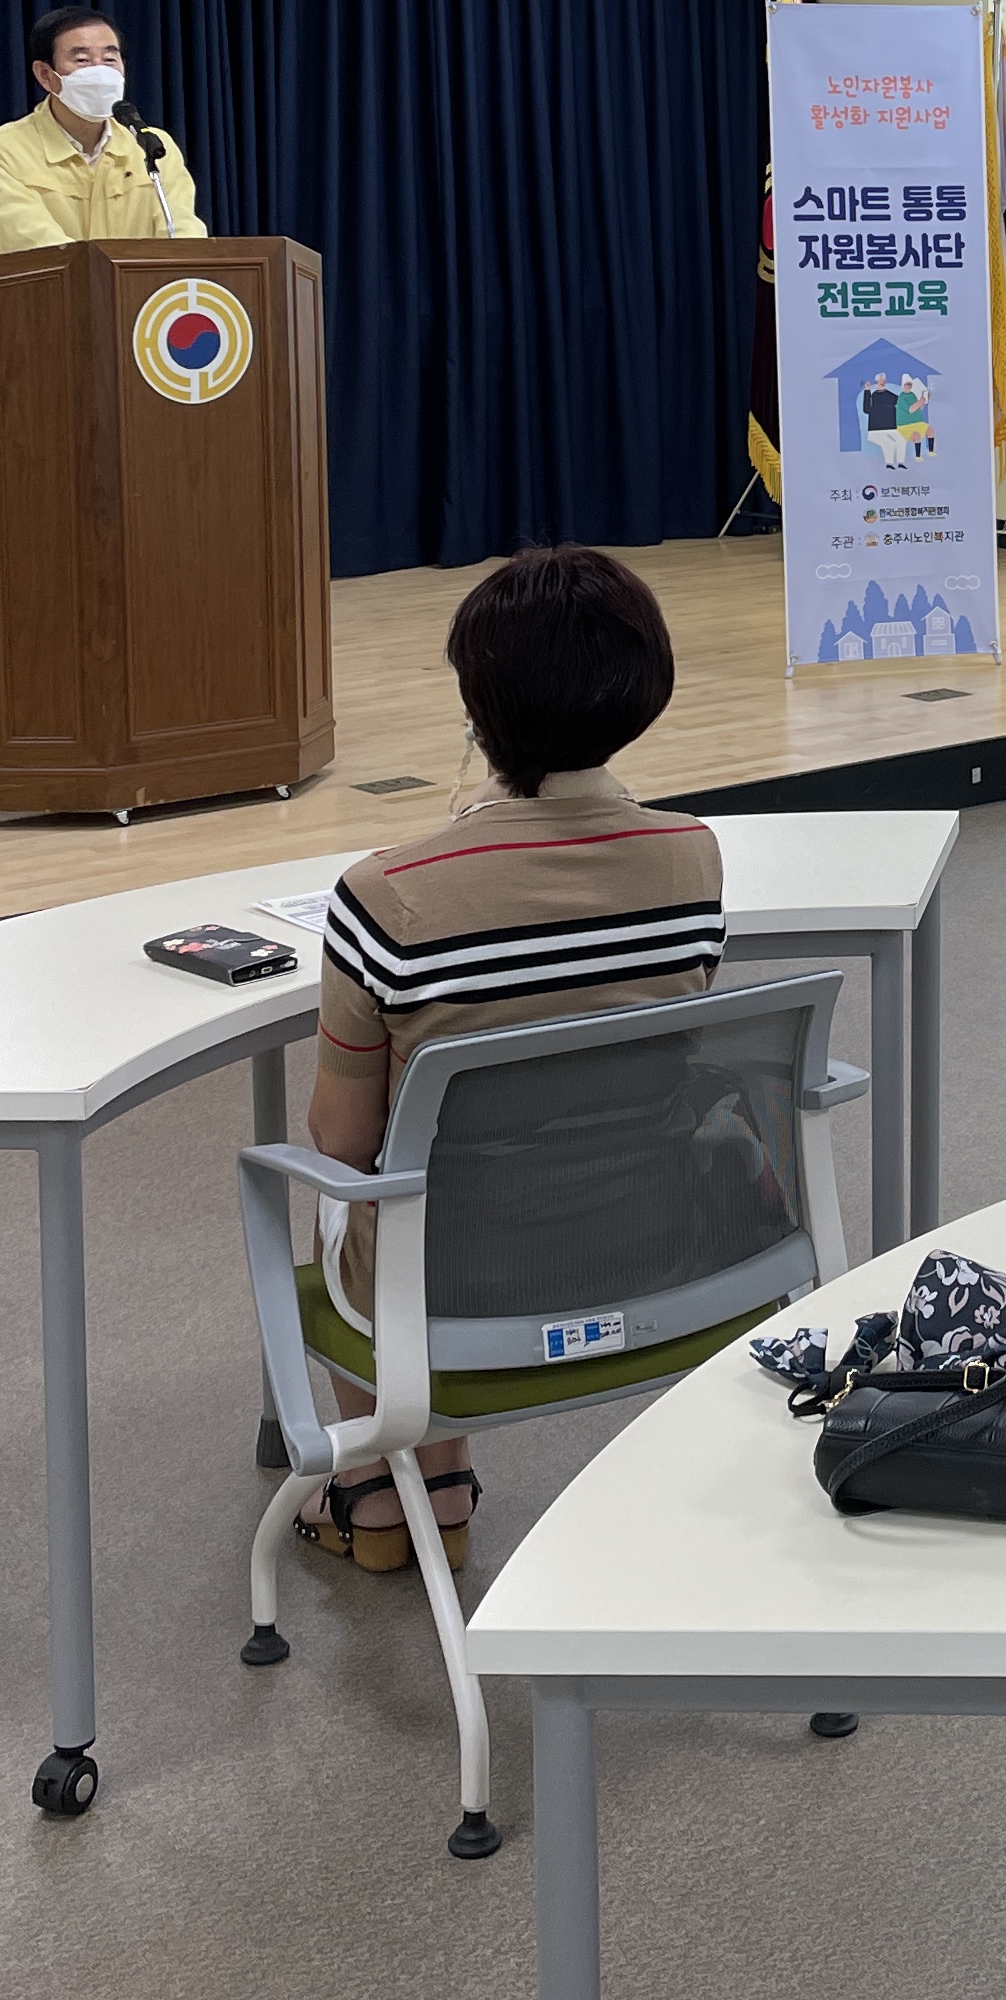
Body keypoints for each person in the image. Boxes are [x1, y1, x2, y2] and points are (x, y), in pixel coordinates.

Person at [291, 545, 724, 1571]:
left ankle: (384, 1496)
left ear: (477, 707)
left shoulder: (386, 896)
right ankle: (435, 1481)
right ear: (645, 692)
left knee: (360, 1198)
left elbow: (342, 1141)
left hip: (456, 1283)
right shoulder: (693, 857)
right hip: (649, 1242)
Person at [0, 4, 206, 255]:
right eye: (82, 60)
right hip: (56, 282)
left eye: (109, 60)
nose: (99, 71)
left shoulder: (152, 145)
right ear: (45, 75)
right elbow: (32, 242)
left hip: (143, 282)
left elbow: (183, 233)